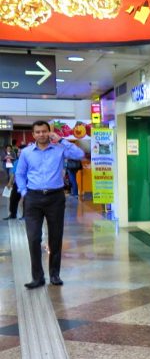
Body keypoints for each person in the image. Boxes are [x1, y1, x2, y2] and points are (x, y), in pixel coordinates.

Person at [15, 121, 84, 288]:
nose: (41, 134)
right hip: (33, 198)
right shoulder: (26, 153)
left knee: (55, 237)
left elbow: (80, 154)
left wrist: (61, 140)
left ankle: (54, 275)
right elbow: (20, 173)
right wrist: (24, 193)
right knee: (33, 238)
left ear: (49, 132)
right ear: (33, 134)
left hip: (55, 198)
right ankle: (37, 278)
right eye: (37, 132)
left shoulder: (60, 149)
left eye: (44, 131)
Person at [4, 156, 21, 220]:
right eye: (18, 152)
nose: (19, 153)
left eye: (21, 152)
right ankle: (13, 214)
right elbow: (13, 173)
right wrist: (10, 182)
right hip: (17, 183)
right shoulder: (16, 162)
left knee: (26, 200)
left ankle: (25, 215)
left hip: (29, 183)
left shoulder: (29, 160)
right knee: (13, 199)